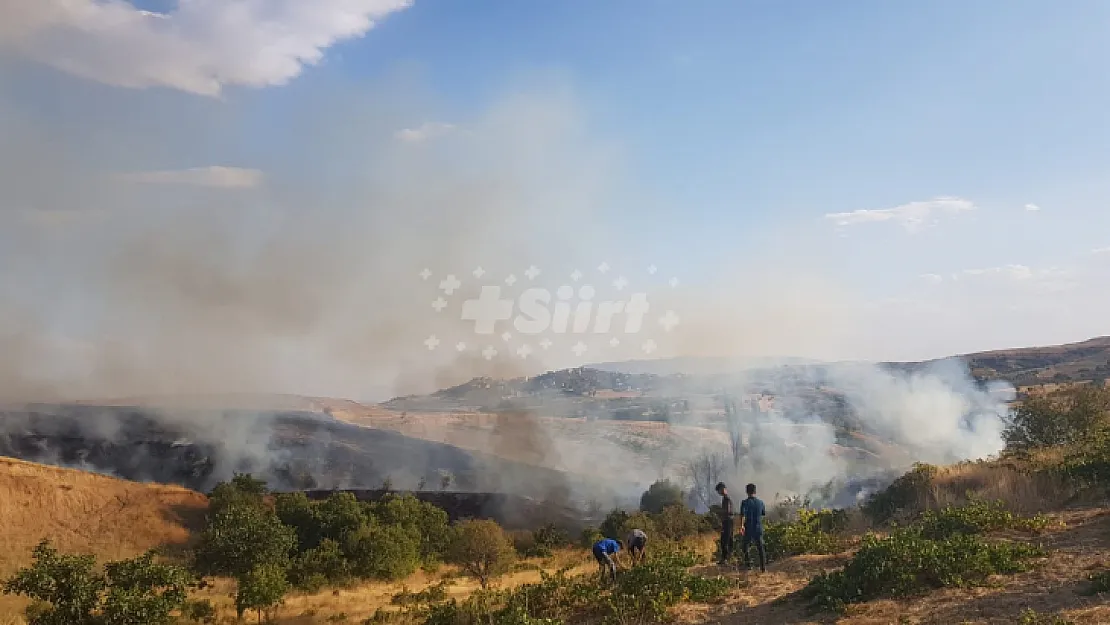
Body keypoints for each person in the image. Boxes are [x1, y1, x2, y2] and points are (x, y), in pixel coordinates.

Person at [738, 483, 767, 572]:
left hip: (749, 528)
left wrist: (742, 526)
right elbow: (763, 513)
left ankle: (748, 565)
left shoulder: (744, 502)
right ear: (755, 491)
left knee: (745, 546)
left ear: (747, 491)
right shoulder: (761, 502)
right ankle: (763, 568)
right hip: (758, 527)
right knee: (760, 548)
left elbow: (743, 515)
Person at [715, 482, 734, 564]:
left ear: (722, 489)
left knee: (724, 540)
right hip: (728, 521)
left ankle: (725, 559)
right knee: (729, 539)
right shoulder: (726, 499)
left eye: (719, 490)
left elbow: (728, 511)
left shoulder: (726, 499)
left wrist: (718, 511)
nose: (719, 493)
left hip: (728, 521)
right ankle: (729, 557)